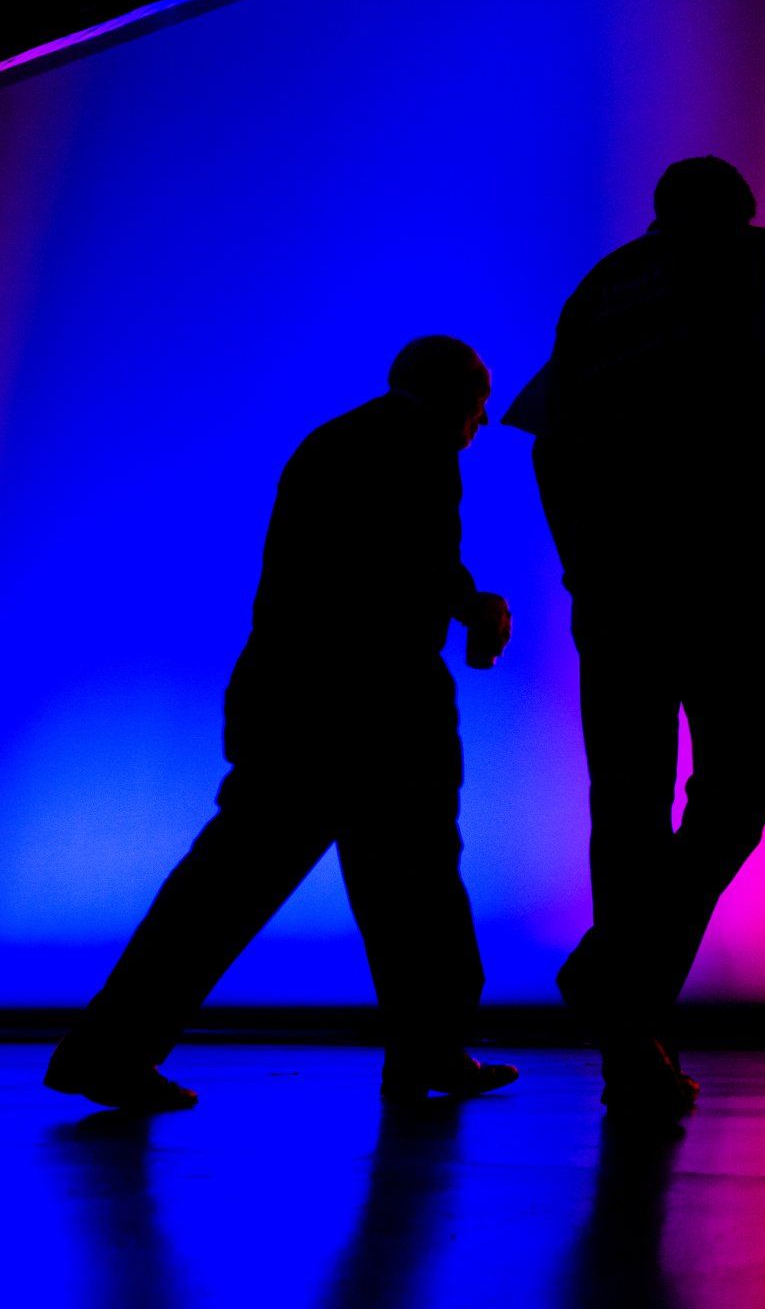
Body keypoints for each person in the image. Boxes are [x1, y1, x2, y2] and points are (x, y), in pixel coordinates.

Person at [45, 336, 518, 1110]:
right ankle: (429, 1046)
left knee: (226, 888)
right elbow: (413, 564)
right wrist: (474, 608)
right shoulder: (421, 446)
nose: (484, 418)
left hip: (294, 699)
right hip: (376, 709)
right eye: (480, 398)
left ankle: (110, 1049)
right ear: (455, 395)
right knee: (414, 883)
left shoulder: (333, 441)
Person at [527, 156, 765, 1117]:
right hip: (719, 561)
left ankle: (627, 1035)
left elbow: (549, 441)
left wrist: (581, 564)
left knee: (626, 804)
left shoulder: (603, 287)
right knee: (737, 790)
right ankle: (617, 980)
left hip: (615, 582)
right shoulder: (755, 259)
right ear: (738, 211)